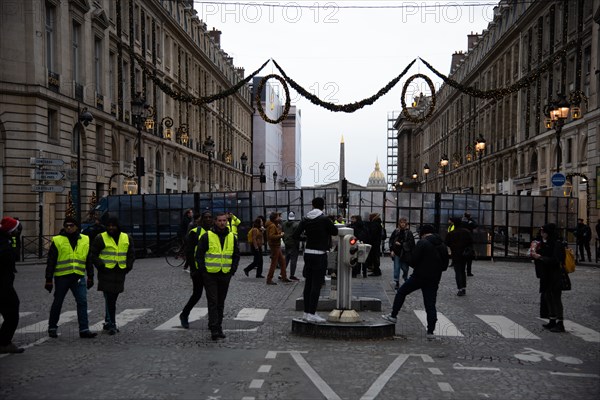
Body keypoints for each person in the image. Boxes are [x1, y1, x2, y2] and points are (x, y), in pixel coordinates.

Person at [382, 224, 449, 338]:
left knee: (402, 292)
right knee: (430, 304)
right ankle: (430, 332)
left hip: (419, 276)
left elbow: (413, 260)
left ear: (423, 233)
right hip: (434, 278)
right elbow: (445, 266)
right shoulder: (442, 245)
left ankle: (393, 315)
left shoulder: (423, 243)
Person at [45, 217, 97, 339]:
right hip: (62, 277)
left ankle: (84, 329)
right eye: (66, 225)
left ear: (77, 226)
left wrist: (90, 276)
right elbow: (51, 261)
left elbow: (88, 259)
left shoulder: (85, 239)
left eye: (71, 225)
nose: (69, 227)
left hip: (78, 276)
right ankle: (52, 327)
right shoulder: (58, 240)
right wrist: (48, 279)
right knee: (58, 302)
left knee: (82, 302)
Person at [293, 197, 338, 323]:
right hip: (319, 254)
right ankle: (312, 313)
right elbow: (334, 231)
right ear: (323, 206)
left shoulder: (306, 218)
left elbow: (295, 235)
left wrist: (307, 237)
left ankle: (306, 313)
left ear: (312, 205)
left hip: (308, 254)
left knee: (308, 284)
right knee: (316, 285)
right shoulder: (324, 219)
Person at [196, 212, 240, 340]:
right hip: (210, 274)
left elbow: (236, 255)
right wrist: (203, 270)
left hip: (225, 273)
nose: (222, 223)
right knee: (213, 301)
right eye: (219, 220)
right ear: (215, 222)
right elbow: (199, 254)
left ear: (227, 221)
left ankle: (217, 326)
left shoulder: (232, 236)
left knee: (220, 302)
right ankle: (215, 328)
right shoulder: (207, 236)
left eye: (224, 220)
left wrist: (233, 269)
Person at [90, 217, 135, 335]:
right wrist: (100, 266)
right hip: (106, 272)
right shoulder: (101, 238)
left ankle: (108, 321)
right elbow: (93, 254)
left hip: (120, 272)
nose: (111, 228)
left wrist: (128, 266)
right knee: (109, 298)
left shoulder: (126, 237)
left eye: (113, 225)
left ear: (117, 226)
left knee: (113, 298)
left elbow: (131, 254)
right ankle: (112, 323)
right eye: (109, 225)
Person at [530, 223, 567, 332]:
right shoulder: (544, 243)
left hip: (555, 275)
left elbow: (556, 260)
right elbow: (541, 255)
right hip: (546, 275)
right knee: (547, 297)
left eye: (543, 232)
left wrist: (540, 257)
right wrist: (534, 252)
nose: (541, 234)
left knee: (556, 298)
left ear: (548, 233)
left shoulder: (557, 244)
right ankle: (552, 320)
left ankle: (560, 323)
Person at [179, 211, 213, 328]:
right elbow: (189, 253)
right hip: (198, 271)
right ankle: (184, 314)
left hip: (210, 270)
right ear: (202, 219)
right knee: (197, 294)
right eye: (206, 217)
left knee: (212, 296)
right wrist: (193, 268)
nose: (208, 219)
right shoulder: (195, 232)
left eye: (210, 217)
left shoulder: (213, 232)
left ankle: (212, 322)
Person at [0, 217, 24, 353]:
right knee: (12, 313)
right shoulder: (4, 245)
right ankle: (4, 342)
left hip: (5, 282)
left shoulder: (6, 241)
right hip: (3, 285)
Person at [445, 217, 473, 296]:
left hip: (456, 254)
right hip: (465, 254)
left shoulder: (451, 233)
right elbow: (471, 241)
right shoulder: (466, 232)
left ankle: (460, 288)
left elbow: (447, 243)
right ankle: (463, 288)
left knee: (458, 272)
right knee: (463, 271)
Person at [389, 217, 416, 289]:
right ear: (399, 223)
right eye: (401, 222)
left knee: (405, 268)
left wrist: (401, 244)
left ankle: (405, 277)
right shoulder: (396, 231)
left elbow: (411, 243)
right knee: (396, 267)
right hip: (397, 252)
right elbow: (391, 241)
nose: (402, 224)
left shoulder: (409, 232)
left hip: (405, 253)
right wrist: (391, 250)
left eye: (404, 222)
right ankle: (397, 281)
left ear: (406, 224)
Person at [265, 212, 291, 284]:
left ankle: (284, 277)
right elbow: (272, 236)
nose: (280, 218)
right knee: (274, 263)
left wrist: (279, 232)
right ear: (275, 218)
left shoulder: (273, 225)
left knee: (282, 262)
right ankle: (269, 279)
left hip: (276, 245)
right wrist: (281, 235)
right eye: (278, 217)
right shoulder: (272, 226)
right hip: (274, 246)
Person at [282, 211, 300, 281]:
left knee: (286, 259)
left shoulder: (284, 224)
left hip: (287, 243)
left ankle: (282, 273)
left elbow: (283, 234)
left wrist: (285, 241)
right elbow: (297, 235)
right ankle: (292, 275)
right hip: (294, 244)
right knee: (293, 260)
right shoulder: (296, 225)